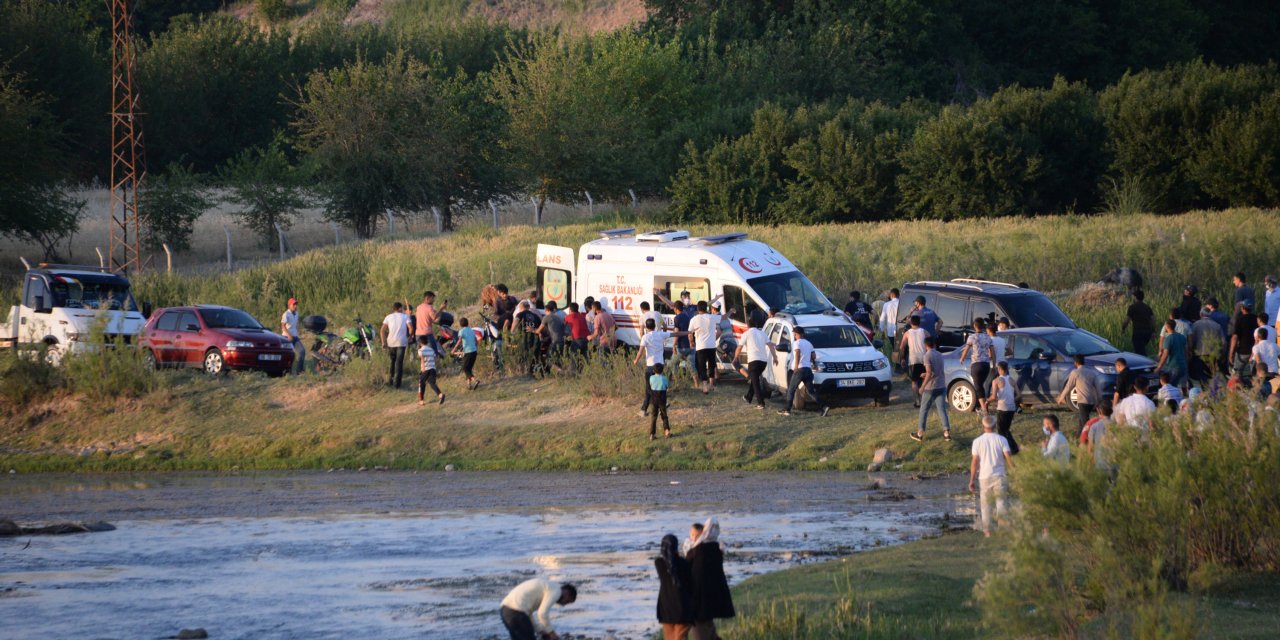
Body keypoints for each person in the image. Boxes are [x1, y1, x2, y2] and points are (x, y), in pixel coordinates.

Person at [686, 518, 735, 640]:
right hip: (710, 599)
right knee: (709, 630)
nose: (691, 537)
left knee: (701, 633)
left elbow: (688, 571)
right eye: (690, 534)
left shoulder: (697, 551)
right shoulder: (715, 549)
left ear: (702, 533)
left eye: (693, 534)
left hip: (699, 600)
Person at [969, 414, 1013, 537]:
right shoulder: (1002, 439)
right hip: (1000, 475)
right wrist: (1014, 471)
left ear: (983, 426)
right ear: (995, 426)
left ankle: (987, 531)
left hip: (984, 476)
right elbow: (1008, 458)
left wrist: (971, 480)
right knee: (1001, 503)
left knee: (985, 505)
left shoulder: (977, 441)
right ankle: (1003, 529)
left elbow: (974, 462)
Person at [634, 319, 689, 417]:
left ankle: (644, 410)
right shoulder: (661, 334)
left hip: (650, 366)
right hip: (660, 365)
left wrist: (636, 361)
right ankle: (663, 403)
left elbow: (640, 351)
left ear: (646, 327)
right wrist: (688, 332)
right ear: (655, 326)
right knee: (660, 387)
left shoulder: (645, 337)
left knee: (649, 389)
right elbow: (675, 334)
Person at [499, 578, 577, 640]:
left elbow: (528, 614)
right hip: (516, 613)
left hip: (505, 611)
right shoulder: (557, 590)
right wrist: (551, 632)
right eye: (567, 601)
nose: (563, 605)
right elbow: (542, 613)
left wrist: (540, 630)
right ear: (567, 593)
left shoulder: (547, 586)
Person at [778, 326, 829, 417]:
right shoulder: (809, 343)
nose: (794, 335)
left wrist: (796, 367)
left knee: (791, 389)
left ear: (798, 334)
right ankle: (824, 406)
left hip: (800, 369)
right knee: (810, 391)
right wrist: (815, 365)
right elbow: (813, 356)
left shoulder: (796, 343)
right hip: (808, 370)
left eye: (794, 334)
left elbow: (797, 354)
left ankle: (787, 409)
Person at [733, 313, 776, 410]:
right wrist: (775, 357)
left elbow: (739, 347)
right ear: (756, 325)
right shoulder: (762, 333)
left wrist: (736, 357)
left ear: (748, 326)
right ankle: (748, 397)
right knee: (754, 379)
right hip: (763, 362)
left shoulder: (746, 334)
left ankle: (761, 403)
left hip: (753, 361)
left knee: (755, 382)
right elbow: (770, 345)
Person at [655, 534, 694, 640]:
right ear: (676, 547)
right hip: (682, 606)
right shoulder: (684, 563)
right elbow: (690, 584)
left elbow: (666, 560)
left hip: (666, 607)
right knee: (680, 637)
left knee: (669, 637)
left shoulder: (659, 563)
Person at [910, 336, 950, 442]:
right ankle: (946, 433)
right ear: (934, 344)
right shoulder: (940, 354)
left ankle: (920, 433)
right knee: (942, 410)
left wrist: (922, 386)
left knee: (923, 410)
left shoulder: (927, 356)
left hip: (931, 387)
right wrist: (926, 374)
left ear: (925, 345)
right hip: (941, 386)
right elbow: (935, 371)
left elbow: (929, 373)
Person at [1056, 354, 1100, 437]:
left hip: (1083, 401)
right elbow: (1097, 387)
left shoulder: (1075, 372)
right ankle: (1078, 436)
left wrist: (1061, 398)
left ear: (1075, 363)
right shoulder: (1091, 372)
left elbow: (1068, 386)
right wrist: (1098, 400)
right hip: (1091, 401)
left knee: (1085, 422)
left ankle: (1090, 438)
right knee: (1082, 420)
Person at [958, 318, 995, 410]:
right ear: (983, 326)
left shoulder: (972, 337)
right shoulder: (988, 337)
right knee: (981, 385)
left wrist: (962, 358)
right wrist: (993, 364)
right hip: (986, 364)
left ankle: (983, 409)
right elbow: (992, 352)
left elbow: (966, 349)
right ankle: (981, 405)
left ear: (974, 326)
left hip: (976, 364)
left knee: (978, 385)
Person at [987, 361, 1020, 455]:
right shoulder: (1012, 379)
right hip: (1012, 408)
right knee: (1006, 429)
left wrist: (987, 400)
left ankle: (1007, 450)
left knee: (1001, 430)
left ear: (1000, 369)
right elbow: (1019, 395)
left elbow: (993, 397)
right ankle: (1013, 448)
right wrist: (1012, 399)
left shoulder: (996, 381)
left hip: (1003, 407)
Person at [689, 301, 721, 394]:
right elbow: (722, 318)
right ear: (706, 308)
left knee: (702, 366)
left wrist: (691, 342)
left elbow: (690, 333)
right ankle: (711, 384)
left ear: (698, 309)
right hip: (711, 345)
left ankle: (705, 386)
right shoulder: (712, 317)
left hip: (700, 346)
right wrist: (730, 312)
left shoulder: (694, 319)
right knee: (711, 364)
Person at [380, 301, 412, 389]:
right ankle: (397, 384)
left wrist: (383, 343)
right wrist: (410, 337)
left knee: (392, 361)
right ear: (400, 308)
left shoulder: (388, 317)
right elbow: (411, 328)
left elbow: (382, 331)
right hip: (401, 342)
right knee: (399, 363)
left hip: (390, 342)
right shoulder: (405, 316)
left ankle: (390, 380)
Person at [1190, 306, 1225, 383]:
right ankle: (1213, 392)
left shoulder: (1195, 325)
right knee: (1212, 375)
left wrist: (1191, 351)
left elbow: (1191, 341)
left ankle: (1205, 391)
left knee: (1201, 376)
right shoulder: (1217, 325)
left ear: (1201, 314)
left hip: (1200, 354)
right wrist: (1222, 354)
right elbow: (1223, 342)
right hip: (1214, 354)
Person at [899, 316, 928, 407]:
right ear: (919, 322)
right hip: (924, 359)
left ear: (911, 323)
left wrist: (902, 358)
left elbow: (902, 347)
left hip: (913, 360)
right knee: (924, 380)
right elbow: (931, 344)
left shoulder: (907, 333)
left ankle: (917, 401)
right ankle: (924, 401)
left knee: (914, 381)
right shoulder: (924, 332)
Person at [1228, 301, 1258, 379]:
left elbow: (1235, 337)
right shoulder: (1256, 318)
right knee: (1254, 375)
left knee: (1236, 374)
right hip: (1255, 351)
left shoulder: (1240, 319)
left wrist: (1231, 353)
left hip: (1242, 350)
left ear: (1242, 308)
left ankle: (1236, 389)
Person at [1157, 318, 1189, 390]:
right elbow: (1186, 351)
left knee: (1168, 387)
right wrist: (1185, 363)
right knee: (1175, 386)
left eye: (1165, 325)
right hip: (1182, 366)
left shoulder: (1168, 339)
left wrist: (1158, 367)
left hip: (1173, 366)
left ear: (1167, 326)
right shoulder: (1182, 337)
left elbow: (1165, 355)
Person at [1122, 289, 1155, 357]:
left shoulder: (1132, 307)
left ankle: (1146, 365)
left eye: (1133, 296)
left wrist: (1123, 329)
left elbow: (1126, 321)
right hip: (1147, 333)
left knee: (1140, 353)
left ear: (1135, 297)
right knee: (1140, 350)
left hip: (1138, 332)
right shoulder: (1148, 307)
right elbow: (1152, 320)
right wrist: (1153, 331)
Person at [451, 317, 480, 390]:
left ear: (460, 324)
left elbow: (459, 340)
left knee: (465, 368)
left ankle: (475, 380)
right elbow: (476, 341)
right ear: (467, 323)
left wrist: (453, 349)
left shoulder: (462, 331)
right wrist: (475, 348)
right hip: (474, 352)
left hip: (468, 352)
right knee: (468, 369)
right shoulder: (471, 330)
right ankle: (469, 385)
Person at [491, 284, 516, 371]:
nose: (505, 295)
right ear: (499, 293)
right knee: (500, 344)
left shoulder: (512, 299)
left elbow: (517, 307)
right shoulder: (497, 302)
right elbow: (495, 315)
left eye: (506, 293)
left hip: (513, 323)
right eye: (503, 294)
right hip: (502, 324)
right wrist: (504, 317)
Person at [415, 291, 447, 357]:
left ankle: (423, 366)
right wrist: (441, 308)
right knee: (433, 352)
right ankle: (435, 365)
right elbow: (434, 317)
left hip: (418, 333)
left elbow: (427, 317)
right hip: (427, 333)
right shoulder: (429, 307)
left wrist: (440, 310)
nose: (433, 300)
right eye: (432, 299)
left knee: (421, 353)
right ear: (427, 298)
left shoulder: (418, 307)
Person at [646, 363, 673, 439]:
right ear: (662, 370)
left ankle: (652, 434)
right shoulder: (664, 378)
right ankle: (667, 431)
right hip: (662, 400)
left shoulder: (651, 378)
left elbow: (649, 387)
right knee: (664, 416)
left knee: (653, 417)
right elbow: (667, 387)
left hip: (653, 400)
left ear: (654, 370)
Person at [536, 301, 566, 369]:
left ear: (547, 310)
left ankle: (561, 372)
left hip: (555, 341)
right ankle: (562, 372)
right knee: (559, 359)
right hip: (562, 340)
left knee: (548, 359)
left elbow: (538, 331)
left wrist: (532, 329)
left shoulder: (547, 317)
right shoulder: (558, 317)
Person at [416, 335, 444, 406]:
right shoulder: (431, 350)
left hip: (425, 369)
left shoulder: (421, 350)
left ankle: (421, 400)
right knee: (432, 383)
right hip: (432, 369)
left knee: (421, 383)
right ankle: (440, 395)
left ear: (420, 343)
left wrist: (422, 368)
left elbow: (422, 359)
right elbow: (435, 358)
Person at [281, 297, 305, 374]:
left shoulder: (297, 313)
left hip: (295, 336)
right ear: (289, 305)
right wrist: (289, 335)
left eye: (296, 304)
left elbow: (295, 325)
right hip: (287, 337)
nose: (295, 306)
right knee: (289, 354)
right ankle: (287, 371)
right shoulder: (286, 314)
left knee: (302, 351)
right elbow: (283, 326)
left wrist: (298, 333)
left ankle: (299, 371)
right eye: (294, 304)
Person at [1087, 403, 1113, 472]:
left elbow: (1090, 447)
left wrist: (1090, 463)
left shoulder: (1094, 426)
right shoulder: (1117, 425)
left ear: (1100, 412)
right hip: (1114, 462)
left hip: (1099, 461)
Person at [878, 288, 900, 368]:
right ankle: (899, 366)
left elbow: (882, 318)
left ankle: (897, 366)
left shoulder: (887, 304)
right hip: (900, 330)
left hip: (890, 331)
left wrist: (882, 330)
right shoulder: (901, 303)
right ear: (898, 295)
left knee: (894, 348)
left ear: (891, 295)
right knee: (900, 348)